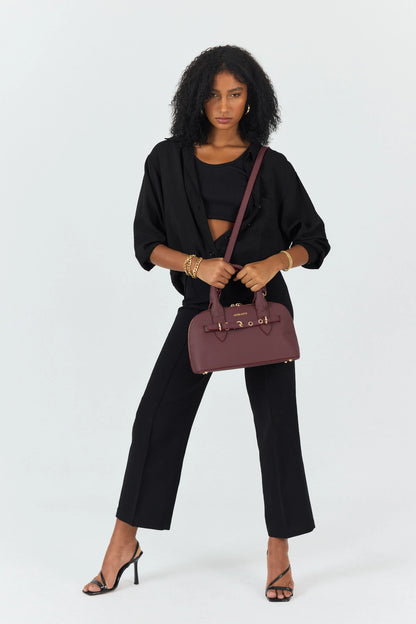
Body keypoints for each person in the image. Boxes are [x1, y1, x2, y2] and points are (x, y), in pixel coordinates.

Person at [82, 44, 330, 602]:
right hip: (202, 305)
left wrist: (274, 262)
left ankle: (279, 549)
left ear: (252, 100)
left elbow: (315, 240)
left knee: (277, 426)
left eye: (235, 94)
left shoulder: (271, 166)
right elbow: (147, 243)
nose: (223, 105)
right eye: (214, 94)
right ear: (196, 97)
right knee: (155, 418)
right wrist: (197, 265)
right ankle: (123, 542)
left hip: (265, 307)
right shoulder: (166, 160)